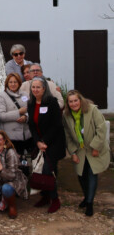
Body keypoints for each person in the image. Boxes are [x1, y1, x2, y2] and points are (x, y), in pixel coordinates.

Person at [63, 90, 109, 216]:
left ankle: (89, 203)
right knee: (81, 175)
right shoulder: (66, 115)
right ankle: (86, 196)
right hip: (80, 149)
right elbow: (67, 135)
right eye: (70, 101)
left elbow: (101, 128)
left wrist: (96, 147)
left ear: (80, 100)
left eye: (75, 100)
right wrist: (72, 152)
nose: (73, 104)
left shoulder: (92, 110)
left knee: (91, 173)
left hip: (93, 147)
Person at [28, 76, 66, 213]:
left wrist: (44, 141)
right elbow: (31, 125)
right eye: (33, 87)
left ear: (44, 89)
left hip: (54, 141)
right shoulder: (31, 103)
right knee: (41, 171)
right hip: (40, 142)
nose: (35, 89)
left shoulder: (51, 102)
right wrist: (38, 141)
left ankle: (55, 199)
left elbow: (56, 125)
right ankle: (45, 196)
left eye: (38, 87)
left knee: (48, 171)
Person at [0, 130, 29, 219]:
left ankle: (12, 206)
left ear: (4, 141)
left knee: (6, 188)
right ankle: (5, 199)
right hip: (0, 182)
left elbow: (13, 176)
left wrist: (1, 170)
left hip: (14, 182)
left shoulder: (10, 152)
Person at [0, 73, 32, 155]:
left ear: (19, 83)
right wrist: (18, 112)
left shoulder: (25, 95)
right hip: (11, 137)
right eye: (10, 82)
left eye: (15, 82)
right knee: (14, 162)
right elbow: (1, 116)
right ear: (7, 83)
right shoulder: (2, 96)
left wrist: (26, 117)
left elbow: (31, 111)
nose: (13, 84)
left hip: (27, 135)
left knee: (26, 162)